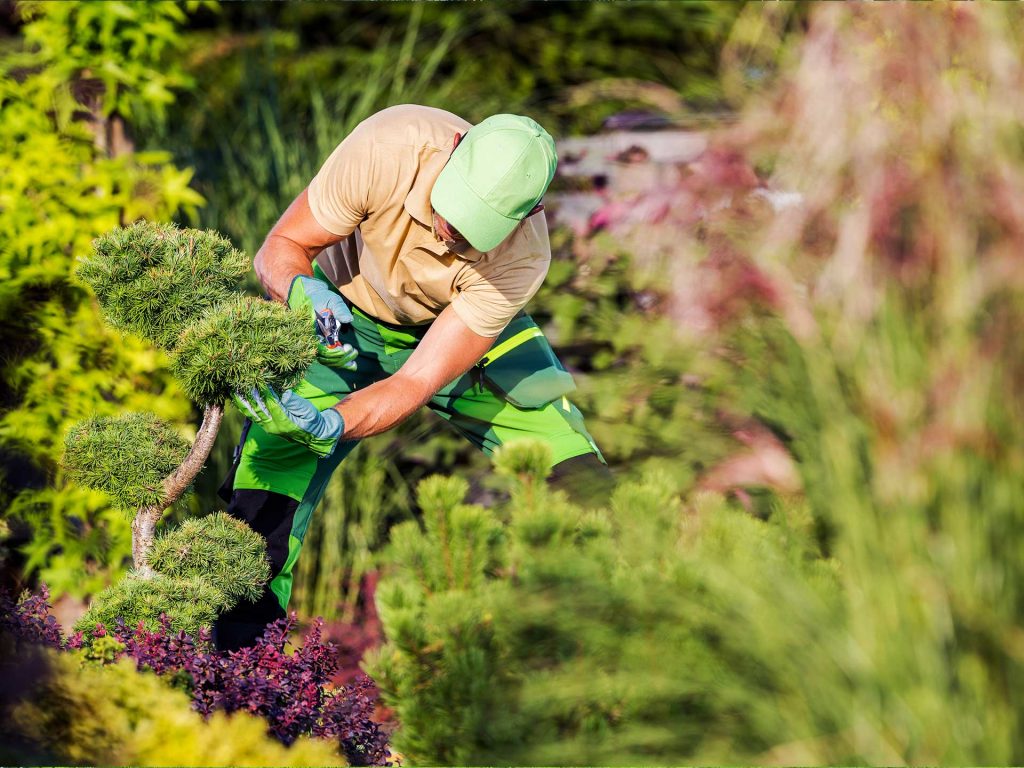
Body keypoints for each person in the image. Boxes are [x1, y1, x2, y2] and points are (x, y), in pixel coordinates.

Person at [215, 104, 608, 650]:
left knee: (577, 474)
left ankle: (620, 648)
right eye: (455, 211)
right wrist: (302, 289)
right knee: (262, 492)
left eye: (477, 230)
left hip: (457, 335)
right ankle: (243, 684)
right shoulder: (387, 147)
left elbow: (414, 383)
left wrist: (331, 423)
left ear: (529, 213)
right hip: (342, 320)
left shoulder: (523, 258)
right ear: (453, 148)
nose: (451, 237)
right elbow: (282, 248)